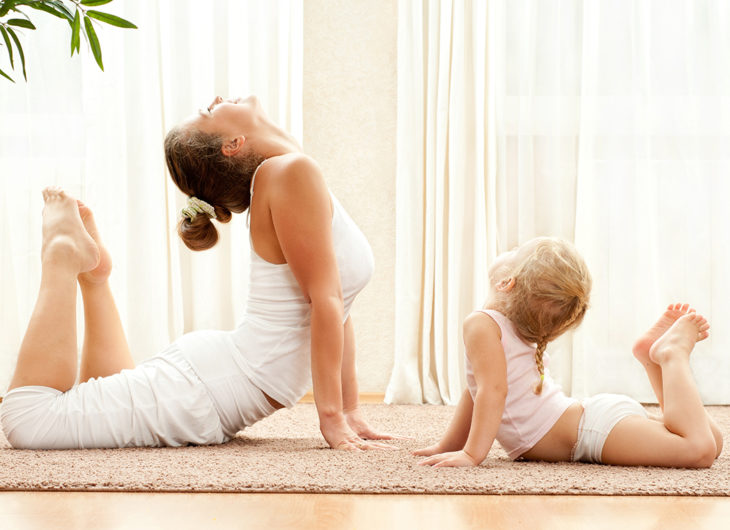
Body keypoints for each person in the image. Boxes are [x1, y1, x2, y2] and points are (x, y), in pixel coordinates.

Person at [1, 95, 394, 451]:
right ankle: (61, 254)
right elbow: (325, 301)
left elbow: (336, 306)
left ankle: (94, 278)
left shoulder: (289, 172)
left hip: (216, 377)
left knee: (91, 399)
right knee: (27, 421)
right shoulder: (289, 173)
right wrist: (332, 420)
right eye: (209, 110)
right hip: (208, 388)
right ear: (233, 143)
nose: (219, 99)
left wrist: (351, 410)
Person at [414, 237, 723, 468]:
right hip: (591, 421)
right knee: (712, 442)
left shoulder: (481, 323)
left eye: (515, 252)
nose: (510, 249)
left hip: (591, 430)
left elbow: (491, 392)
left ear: (506, 282)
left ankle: (671, 356)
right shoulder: (501, 325)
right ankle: (649, 358)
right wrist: (450, 445)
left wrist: (471, 454)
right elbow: (477, 388)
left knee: (699, 449)